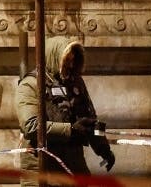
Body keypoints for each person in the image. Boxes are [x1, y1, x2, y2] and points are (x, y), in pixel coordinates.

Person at [14, 36, 116, 186]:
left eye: (73, 60)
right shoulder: (31, 85)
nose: (70, 65)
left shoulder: (76, 82)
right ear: (54, 57)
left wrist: (103, 149)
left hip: (74, 165)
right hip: (43, 168)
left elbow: (90, 120)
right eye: (66, 60)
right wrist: (71, 130)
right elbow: (30, 126)